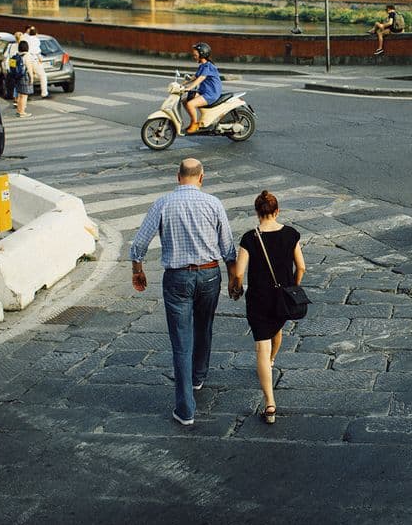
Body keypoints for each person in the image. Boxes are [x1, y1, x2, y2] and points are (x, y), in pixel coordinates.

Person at [130, 158, 237, 427]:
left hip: (177, 277)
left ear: (178, 177)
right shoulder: (213, 203)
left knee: (181, 341)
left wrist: (137, 270)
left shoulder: (163, 203)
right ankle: (198, 376)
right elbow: (227, 247)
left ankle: (185, 409)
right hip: (210, 273)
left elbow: (140, 242)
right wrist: (235, 278)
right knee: (204, 327)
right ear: (201, 177)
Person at [230, 190, 306, 425]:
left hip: (259, 298)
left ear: (257, 212)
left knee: (260, 348)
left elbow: (240, 271)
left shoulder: (250, 238)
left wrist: (236, 286)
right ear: (277, 211)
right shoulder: (291, 234)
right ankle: (272, 360)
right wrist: (293, 287)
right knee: (277, 329)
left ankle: (270, 403)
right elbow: (301, 266)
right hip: (282, 297)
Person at [183, 42, 221, 134]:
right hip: (203, 92)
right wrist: (182, 84)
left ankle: (195, 124)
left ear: (202, 55)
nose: (194, 57)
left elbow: (201, 78)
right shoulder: (202, 66)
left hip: (211, 94)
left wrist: (189, 87)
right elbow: (195, 77)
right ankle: (194, 121)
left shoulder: (208, 66)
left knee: (190, 104)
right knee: (184, 100)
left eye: (196, 55)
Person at [11, 40, 35, 117]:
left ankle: (18, 110)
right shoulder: (27, 56)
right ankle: (22, 112)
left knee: (19, 95)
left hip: (17, 77)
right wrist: (31, 77)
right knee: (24, 96)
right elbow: (29, 67)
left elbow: (11, 67)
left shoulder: (16, 55)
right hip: (24, 76)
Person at [23, 26, 48, 98]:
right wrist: (40, 58)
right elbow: (37, 51)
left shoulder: (26, 38)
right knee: (42, 76)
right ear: (36, 33)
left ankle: (26, 93)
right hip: (34, 59)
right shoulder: (36, 40)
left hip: (27, 58)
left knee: (29, 76)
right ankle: (44, 93)